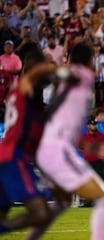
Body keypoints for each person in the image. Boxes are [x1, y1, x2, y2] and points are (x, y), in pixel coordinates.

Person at [35, 41, 104, 240]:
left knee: (61, 203)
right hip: (57, 150)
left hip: (48, 147)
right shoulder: (83, 75)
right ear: (89, 60)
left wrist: (85, 144)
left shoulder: (62, 86)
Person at [0, 49, 56, 235]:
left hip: (6, 157)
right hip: (13, 158)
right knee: (41, 213)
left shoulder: (23, 94)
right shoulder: (25, 87)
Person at [79, 118, 104, 182]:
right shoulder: (84, 137)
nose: (95, 126)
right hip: (88, 162)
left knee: (101, 179)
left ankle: (103, 191)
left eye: (96, 124)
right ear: (88, 126)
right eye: (93, 124)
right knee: (89, 180)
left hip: (100, 161)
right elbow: (80, 148)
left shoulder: (102, 136)